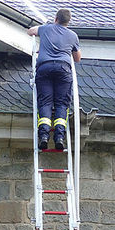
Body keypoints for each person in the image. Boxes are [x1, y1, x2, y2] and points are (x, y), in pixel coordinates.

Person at [27, 9, 81, 152]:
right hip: (63, 70)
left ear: (56, 18)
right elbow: (77, 58)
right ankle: (59, 138)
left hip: (44, 68)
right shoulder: (73, 35)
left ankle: (44, 137)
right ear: (68, 21)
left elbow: (31, 31)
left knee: (45, 101)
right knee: (62, 104)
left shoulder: (46, 28)